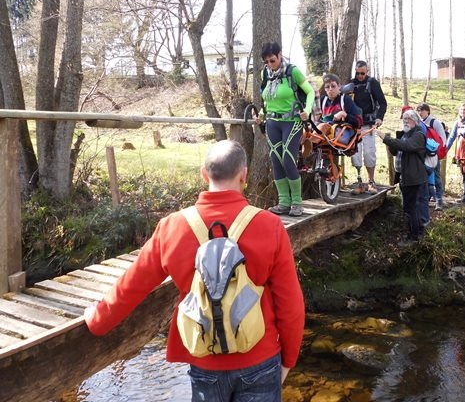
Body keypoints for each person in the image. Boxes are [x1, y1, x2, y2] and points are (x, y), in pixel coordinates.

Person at [84, 140, 305, 401]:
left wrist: (98, 320)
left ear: (204, 174)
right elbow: (290, 304)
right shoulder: (269, 225)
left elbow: (132, 285)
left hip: (205, 361)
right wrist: (288, 359)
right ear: (244, 175)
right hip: (260, 358)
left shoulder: (172, 226)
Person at [258, 42, 316, 217]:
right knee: (275, 160)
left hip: (292, 121)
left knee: (288, 160)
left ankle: (297, 203)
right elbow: (266, 99)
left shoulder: (292, 71)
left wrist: (306, 111)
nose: (270, 64)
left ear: (280, 55)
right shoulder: (265, 73)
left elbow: (310, 92)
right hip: (272, 122)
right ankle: (284, 202)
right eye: (266, 61)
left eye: (273, 60)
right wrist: (261, 113)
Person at [376, 109, 427, 245]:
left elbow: (406, 146)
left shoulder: (418, 135)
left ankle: (413, 236)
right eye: (404, 118)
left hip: (414, 178)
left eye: (408, 118)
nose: (405, 121)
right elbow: (396, 151)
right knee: (411, 206)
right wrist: (391, 141)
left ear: (415, 121)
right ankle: (420, 230)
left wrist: (386, 138)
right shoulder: (405, 134)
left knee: (410, 208)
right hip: (405, 177)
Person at [350, 60, 387, 194]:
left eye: (362, 73)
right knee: (356, 154)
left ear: (367, 71)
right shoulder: (351, 84)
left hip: (369, 124)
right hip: (354, 126)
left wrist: (379, 117)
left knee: (369, 153)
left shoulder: (373, 83)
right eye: (358, 73)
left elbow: (382, 103)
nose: (360, 76)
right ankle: (360, 181)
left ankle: (371, 181)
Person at [317, 73, 362, 145]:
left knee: (323, 126)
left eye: (333, 86)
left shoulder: (345, 100)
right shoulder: (322, 100)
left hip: (341, 132)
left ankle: (310, 144)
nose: (330, 89)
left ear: (339, 86)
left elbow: (358, 121)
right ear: (325, 89)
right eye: (327, 87)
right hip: (324, 133)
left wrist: (344, 114)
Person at [416, 103, 447, 210]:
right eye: (418, 111)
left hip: (433, 155)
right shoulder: (419, 123)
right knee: (424, 178)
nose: (420, 113)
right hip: (423, 155)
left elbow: (443, 139)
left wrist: (435, 152)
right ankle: (426, 199)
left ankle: (439, 201)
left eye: (422, 110)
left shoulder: (435, 123)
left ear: (427, 111)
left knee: (437, 178)